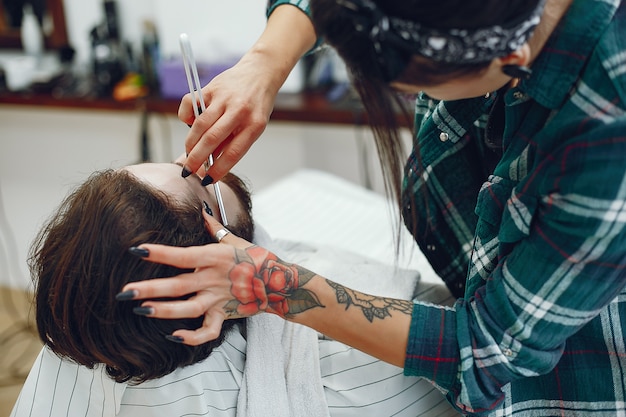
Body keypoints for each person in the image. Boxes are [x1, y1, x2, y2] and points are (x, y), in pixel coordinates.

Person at [117, 0, 626, 415]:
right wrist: (265, 64)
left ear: (511, 61)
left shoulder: (606, 135)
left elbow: (488, 353)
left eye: (403, 86)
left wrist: (279, 288)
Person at [11, 161, 459, 417]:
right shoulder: (365, 366)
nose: (206, 162)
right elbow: (474, 350)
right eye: (203, 190)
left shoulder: (94, 348)